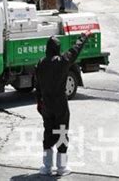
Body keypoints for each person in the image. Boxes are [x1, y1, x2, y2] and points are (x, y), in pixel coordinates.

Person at [35, 30, 92, 176]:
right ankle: (61, 168)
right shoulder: (63, 62)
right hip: (60, 103)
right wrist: (83, 37)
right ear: (58, 49)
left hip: (46, 103)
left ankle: (46, 167)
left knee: (48, 132)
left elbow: (38, 86)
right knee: (61, 132)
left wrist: (39, 103)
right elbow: (75, 50)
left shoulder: (40, 63)